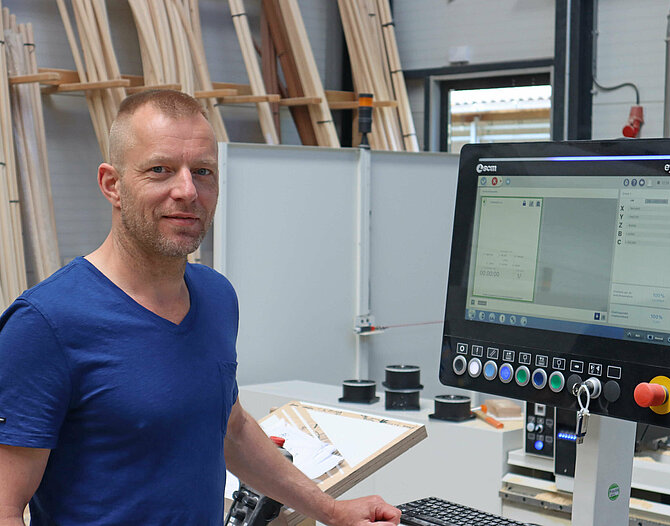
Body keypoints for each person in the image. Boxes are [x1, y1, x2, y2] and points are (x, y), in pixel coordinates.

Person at [0, 90, 402, 526]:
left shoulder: (216, 297)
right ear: (111, 185)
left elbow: (231, 428)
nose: (187, 191)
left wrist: (332, 510)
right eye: (161, 170)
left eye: (203, 172)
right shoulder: (45, 325)